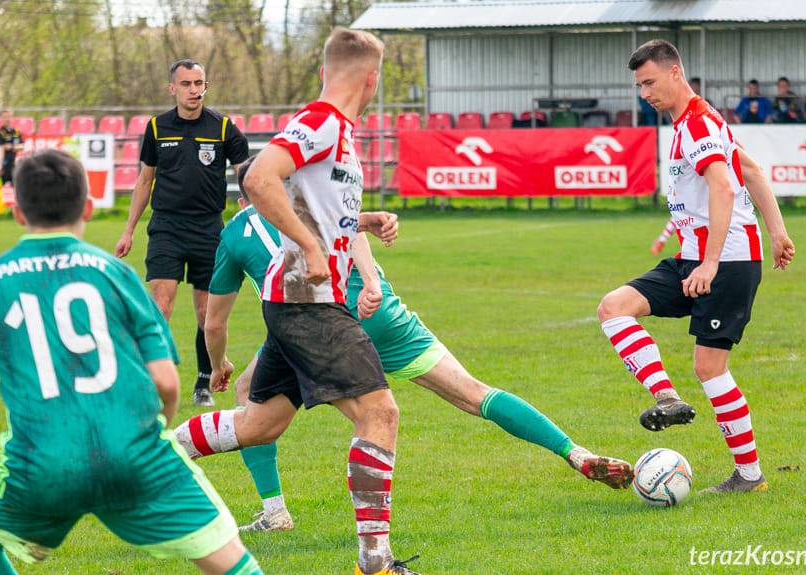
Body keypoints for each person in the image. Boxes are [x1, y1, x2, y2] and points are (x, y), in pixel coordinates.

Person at [181, 157, 634, 533]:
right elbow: (351, 226)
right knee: (475, 394)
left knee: (272, 401)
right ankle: (576, 453)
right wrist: (374, 285)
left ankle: (279, 512)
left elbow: (213, 320)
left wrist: (217, 362)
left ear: (244, 198)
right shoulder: (308, 196)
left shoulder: (235, 233)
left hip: (318, 326)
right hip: (382, 313)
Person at [170, 28, 417, 575]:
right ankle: (375, 563)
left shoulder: (340, 131)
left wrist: (363, 222)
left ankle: (156, 455)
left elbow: (311, 203)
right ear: (372, 78)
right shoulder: (322, 121)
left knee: (260, 425)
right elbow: (260, 178)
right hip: (309, 302)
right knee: (380, 413)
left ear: (328, 70)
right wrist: (309, 246)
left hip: (294, 303)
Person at [0, 150, 263, 574]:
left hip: (41, 461)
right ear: (86, 206)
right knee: (229, 559)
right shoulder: (114, 274)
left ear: (16, 212)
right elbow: (166, 383)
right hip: (132, 454)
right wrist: (142, 438)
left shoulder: (1, 278)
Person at [599, 40, 795, 493]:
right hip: (696, 257)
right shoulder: (701, 121)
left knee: (710, 367)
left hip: (724, 263)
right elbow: (752, 170)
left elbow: (725, 187)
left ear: (675, 72)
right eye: (639, 86)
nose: (644, 93)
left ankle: (749, 477)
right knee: (614, 307)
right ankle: (666, 397)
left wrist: (709, 263)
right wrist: (779, 232)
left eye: (649, 82)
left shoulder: (699, 124)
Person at [114, 59, 250, 407]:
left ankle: (204, 381)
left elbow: (247, 172)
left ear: (206, 85)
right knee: (160, 305)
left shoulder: (222, 127)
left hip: (208, 228)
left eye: (199, 83)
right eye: (186, 84)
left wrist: (250, 203)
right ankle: (154, 381)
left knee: (207, 314)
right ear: (172, 88)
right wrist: (128, 229)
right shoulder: (158, 128)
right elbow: (145, 180)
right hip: (166, 227)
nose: (194, 90)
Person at [0, 109, 24, 187]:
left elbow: (21, 147)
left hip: (14, 166)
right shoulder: (0, 133)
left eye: (9, 117)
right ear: (1, 119)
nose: (7, 119)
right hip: (3, 167)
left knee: (16, 189)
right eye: (5, 117)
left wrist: (11, 147)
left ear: (12, 118)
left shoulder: (16, 132)